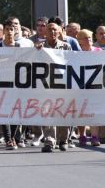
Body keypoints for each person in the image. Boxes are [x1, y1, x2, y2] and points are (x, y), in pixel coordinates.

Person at [36, 22, 72, 153]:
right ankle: (49, 141)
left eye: (54, 30)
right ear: (45, 32)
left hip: (63, 85)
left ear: (60, 31)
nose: (52, 32)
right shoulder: (40, 47)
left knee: (64, 112)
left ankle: (63, 140)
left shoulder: (66, 47)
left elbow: (74, 63)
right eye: (49, 30)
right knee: (47, 112)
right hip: (46, 85)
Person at [0, 20, 26, 150]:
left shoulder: (20, 47)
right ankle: (8, 139)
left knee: (16, 111)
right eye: (7, 29)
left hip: (17, 84)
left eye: (12, 29)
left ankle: (13, 137)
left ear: (15, 31)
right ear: (3, 31)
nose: (9, 32)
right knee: (4, 111)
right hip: (1, 84)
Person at [75, 29, 102, 147]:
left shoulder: (99, 51)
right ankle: (82, 135)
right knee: (81, 112)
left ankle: (95, 136)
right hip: (80, 87)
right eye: (86, 38)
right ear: (80, 41)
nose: (89, 40)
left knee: (94, 111)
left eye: (90, 37)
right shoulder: (76, 54)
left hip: (95, 86)